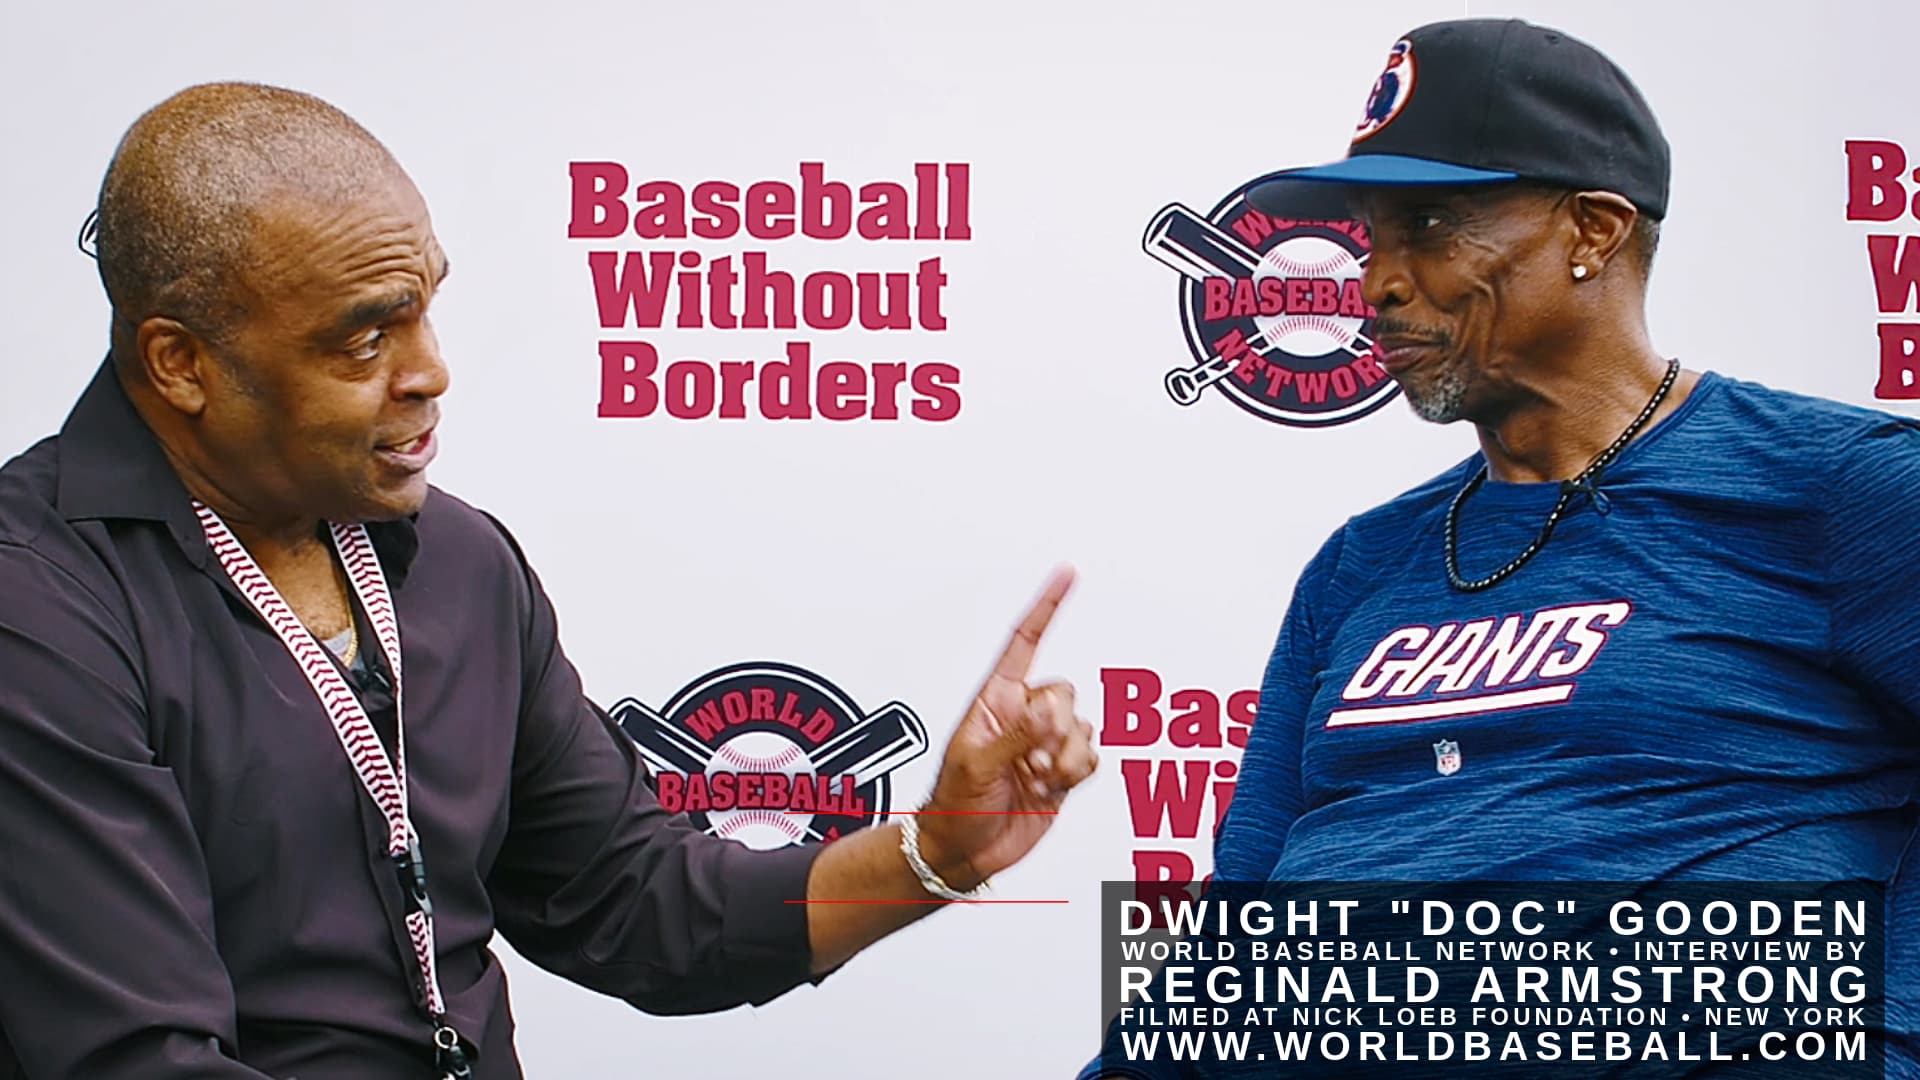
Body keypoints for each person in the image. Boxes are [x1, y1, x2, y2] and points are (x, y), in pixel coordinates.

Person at [0, 82, 1099, 1080]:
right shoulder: (38, 606)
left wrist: (936, 850)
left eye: (426, 306)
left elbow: (638, 904)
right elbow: (134, 1062)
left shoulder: (464, 564)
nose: (429, 370)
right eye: (365, 337)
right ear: (180, 364)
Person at [1083, 17, 1920, 1078]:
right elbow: (1241, 914)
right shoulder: (1359, 564)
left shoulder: (1844, 488)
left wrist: (1883, 1045)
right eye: (1371, 238)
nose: (1376, 282)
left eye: (1431, 225)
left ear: (1594, 232)